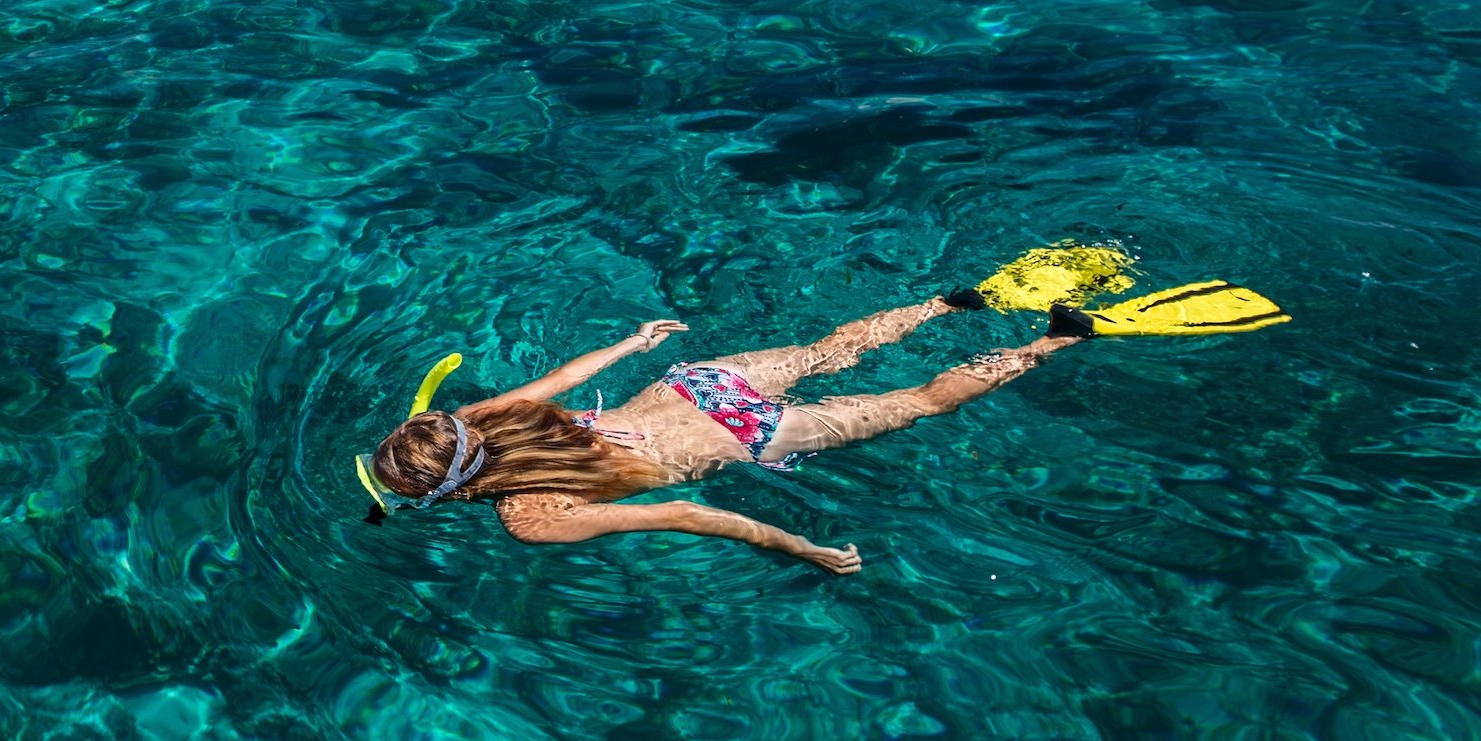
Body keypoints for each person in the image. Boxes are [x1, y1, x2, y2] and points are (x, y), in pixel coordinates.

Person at [355, 249, 1285, 573]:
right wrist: (639, 345)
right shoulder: (487, 416)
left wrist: (801, 549)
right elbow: (560, 380)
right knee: (838, 345)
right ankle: (954, 302)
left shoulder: (530, 517)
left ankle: (1062, 337)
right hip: (698, 382)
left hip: (747, 437)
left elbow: (685, 511)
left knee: (920, 401)